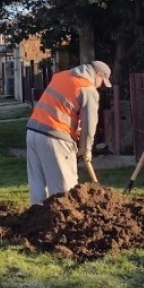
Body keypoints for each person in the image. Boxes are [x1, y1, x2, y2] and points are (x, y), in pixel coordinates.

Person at [26, 60, 113, 205]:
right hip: (56, 137)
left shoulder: (62, 76)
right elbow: (89, 125)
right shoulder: (88, 89)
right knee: (65, 189)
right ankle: (64, 223)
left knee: (37, 184)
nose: (100, 85)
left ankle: (36, 221)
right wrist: (86, 149)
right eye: (102, 81)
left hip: (33, 132)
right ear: (98, 75)